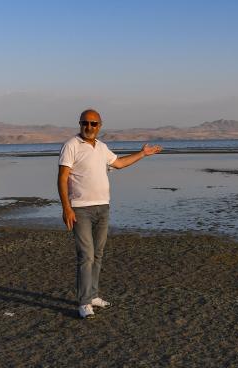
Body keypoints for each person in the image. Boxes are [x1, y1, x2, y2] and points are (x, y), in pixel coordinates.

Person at [57, 109, 162, 318]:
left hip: (103, 207)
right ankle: (84, 302)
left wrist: (142, 154)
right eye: (85, 123)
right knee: (85, 255)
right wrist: (66, 208)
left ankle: (93, 295)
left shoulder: (102, 147)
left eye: (93, 124)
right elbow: (62, 178)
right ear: (80, 124)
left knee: (98, 253)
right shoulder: (71, 146)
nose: (89, 127)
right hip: (80, 209)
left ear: (100, 126)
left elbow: (119, 163)